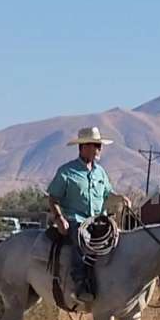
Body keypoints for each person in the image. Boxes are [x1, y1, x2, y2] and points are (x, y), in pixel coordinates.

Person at [47, 126, 130, 303]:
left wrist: (120, 198)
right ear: (83, 147)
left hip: (98, 220)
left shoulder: (100, 172)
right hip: (75, 220)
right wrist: (59, 218)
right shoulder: (67, 172)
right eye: (95, 145)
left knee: (118, 238)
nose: (99, 149)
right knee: (81, 237)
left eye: (99, 145)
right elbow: (53, 197)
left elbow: (108, 193)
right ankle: (80, 283)